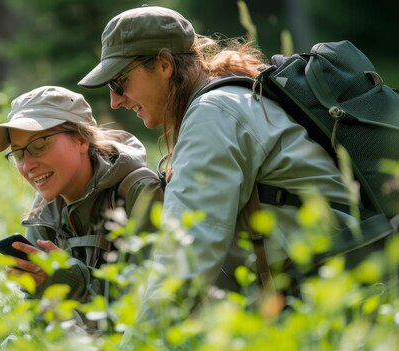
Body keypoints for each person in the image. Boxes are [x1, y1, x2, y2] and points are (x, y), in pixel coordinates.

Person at [78, 5, 360, 293]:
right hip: (328, 280)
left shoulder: (212, 115)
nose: (115, 101)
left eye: (119, 82)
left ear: (164, 65)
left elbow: (183, 261)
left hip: (339, 288)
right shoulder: (225, 100)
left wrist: (140, 339)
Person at [0, 86, 163, 305]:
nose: (28, 165)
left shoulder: (139, 191)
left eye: (39, 145)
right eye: (19, 153)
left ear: (81, 139)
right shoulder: (45, 208)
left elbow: (151, 302)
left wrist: (70, 283)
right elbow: (33, 313)